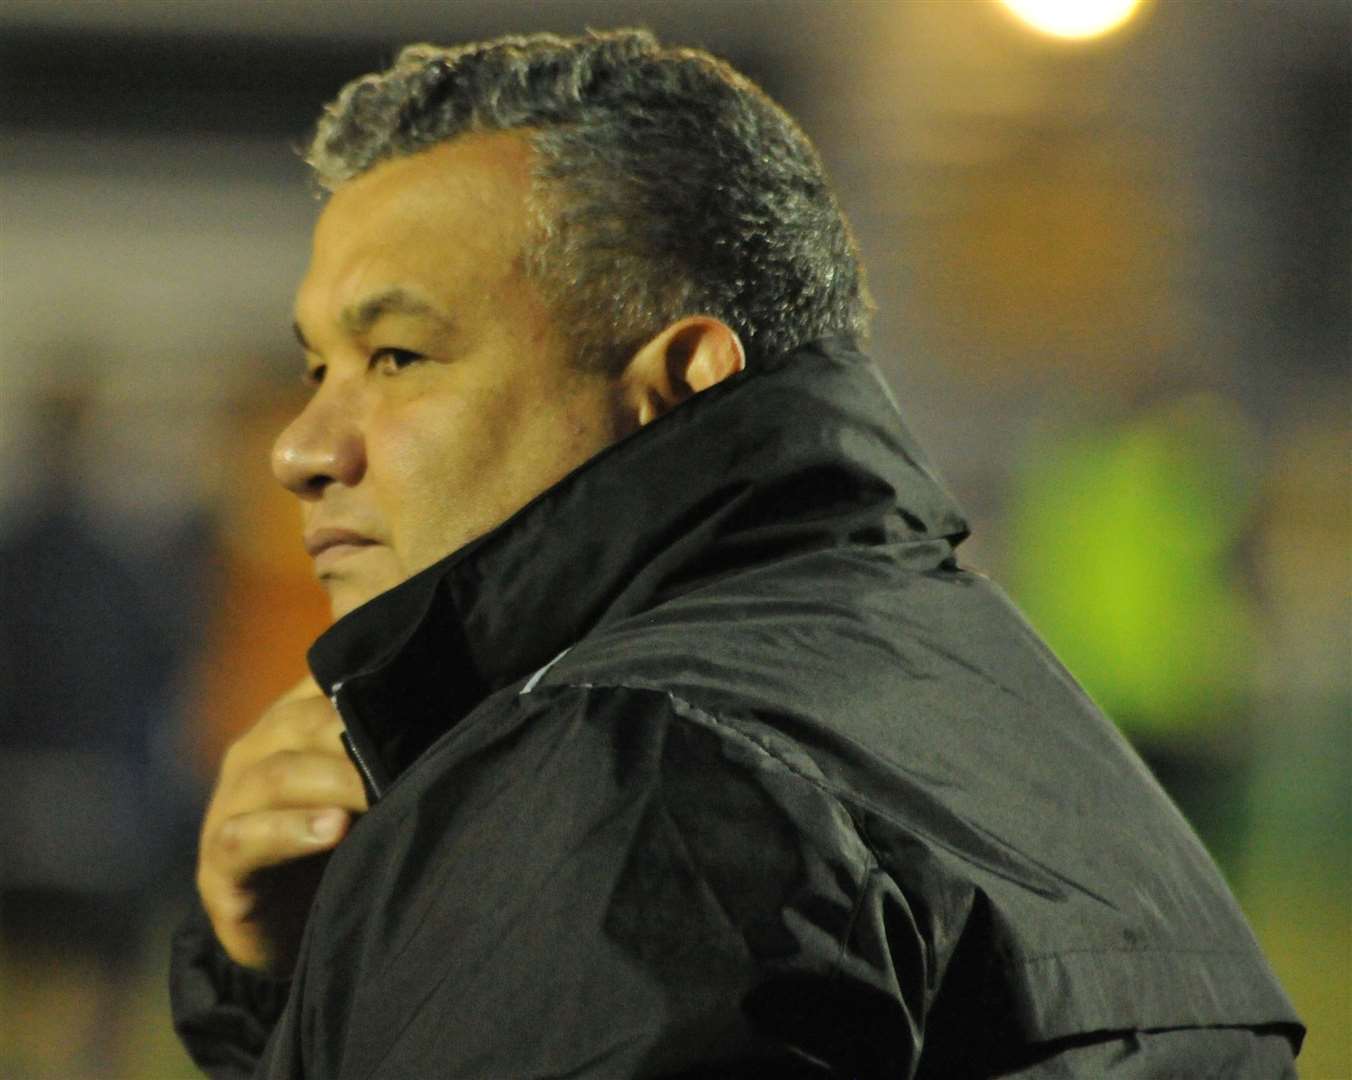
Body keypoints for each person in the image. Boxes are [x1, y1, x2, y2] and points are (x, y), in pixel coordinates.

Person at [170, 29, 1303, 1078]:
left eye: (399, 357)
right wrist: (298, 974)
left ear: (679, 381)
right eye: (318, 367)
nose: (300, 448)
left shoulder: (636, 771)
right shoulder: (997, 716)